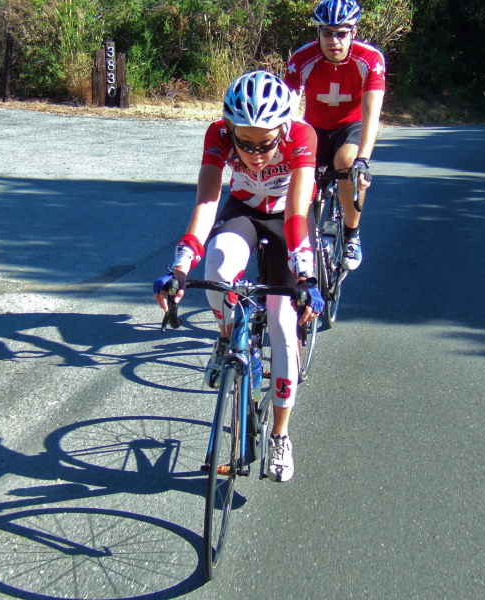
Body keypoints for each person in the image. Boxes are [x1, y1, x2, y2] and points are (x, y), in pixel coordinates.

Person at [153, 70, 324, 483]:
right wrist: (178, 269)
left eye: (266, 143)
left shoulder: (302, 136)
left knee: (283, 323)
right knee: (216, 264)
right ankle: (228, 335)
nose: (255, 154)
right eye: (244, 143)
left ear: (283, 127)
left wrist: (306, 277)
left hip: (290, 218)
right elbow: (208, 204)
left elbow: (298, 214)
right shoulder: (217, 134)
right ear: (229, 128)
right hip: (245, 210)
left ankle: (280, 434)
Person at [284, 0, 386, 271]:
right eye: (327, 32)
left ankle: (351, 234)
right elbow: (288, 111)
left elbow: (371, 114)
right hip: (313, 128)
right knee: (302, 184)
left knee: (347, 163)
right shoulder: (302, 58)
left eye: (341, 33)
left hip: (350, 127)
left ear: (353, 31)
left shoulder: (370, 59)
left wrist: (362, 160)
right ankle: (305, 251)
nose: (334, 40)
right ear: (318, 32)